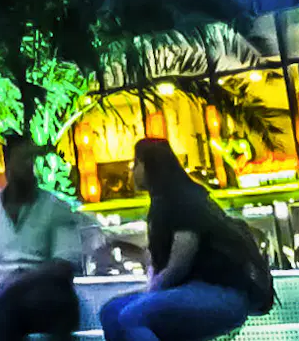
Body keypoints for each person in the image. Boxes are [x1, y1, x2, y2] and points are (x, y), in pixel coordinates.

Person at [95, 140, 276, 341]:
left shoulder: (183, 201)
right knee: (110, 312)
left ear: (151, 166)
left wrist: (150, 292)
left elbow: (178, 265)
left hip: (221, 294)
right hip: (192, 292)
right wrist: (151, 290)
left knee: (132, 316)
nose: (132, 171)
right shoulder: (162, 204)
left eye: (136, 164)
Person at [0, 141, 103, 341]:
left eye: (31, 161)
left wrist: (17, 282)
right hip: (8, 296)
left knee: (44, 308)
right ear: (7, 165)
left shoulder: (56, 206)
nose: (28, 167)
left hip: (50, 291)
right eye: (22, 160)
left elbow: (63, 266)